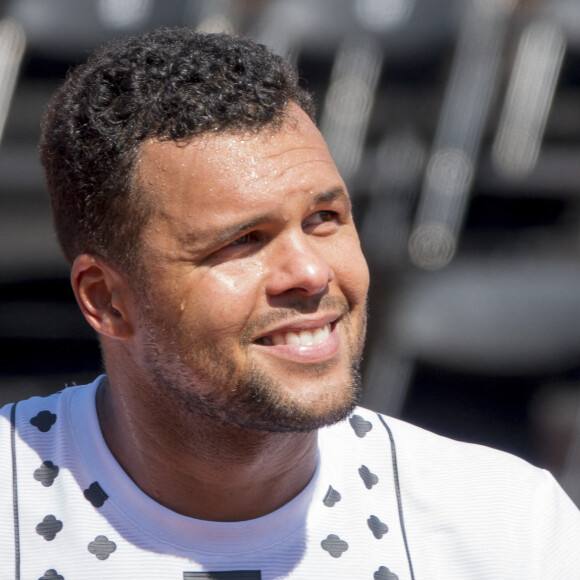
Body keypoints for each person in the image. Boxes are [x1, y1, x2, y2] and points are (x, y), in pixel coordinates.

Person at [1, 27, 579, 580]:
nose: (310, 272)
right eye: (241, 241)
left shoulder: (505, 527)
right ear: (106, 300)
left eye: (324, 219)